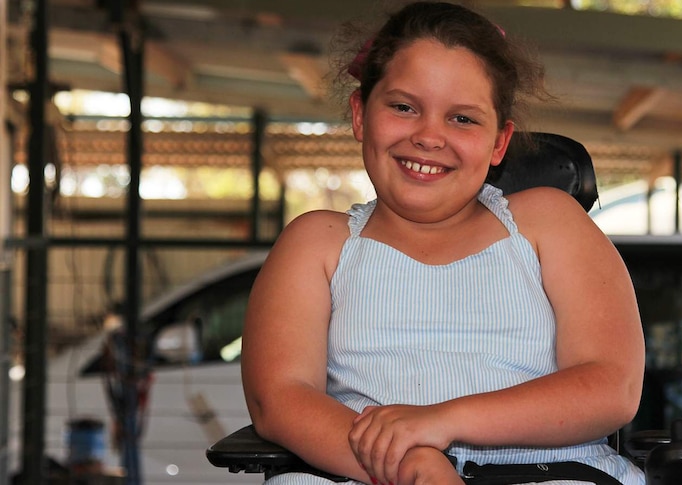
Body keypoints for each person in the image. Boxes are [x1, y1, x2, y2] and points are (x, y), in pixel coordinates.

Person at [241, 2, 646, 484]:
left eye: (463, 119)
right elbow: (280, 396)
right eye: (404, 107)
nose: (429, 136)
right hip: (367, 472)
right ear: (359, 115)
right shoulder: (316, 243)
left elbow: (611, 386)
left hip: (552, 472)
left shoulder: (549, 223)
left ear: (500, 142)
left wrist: (442, 421)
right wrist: (412, 464)